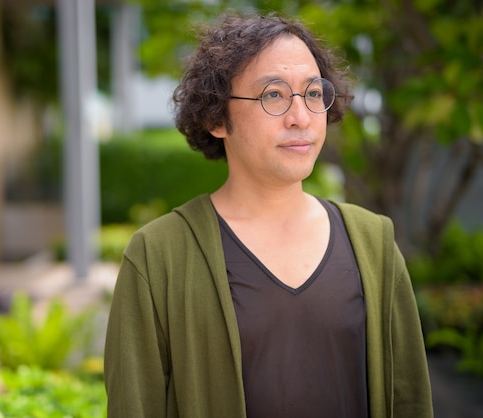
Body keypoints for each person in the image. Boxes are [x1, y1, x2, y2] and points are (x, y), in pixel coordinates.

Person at [104, 12, 433, 418]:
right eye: (273, 95)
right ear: (215, 118)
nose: (301, 117)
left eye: (313, 93)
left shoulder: (373, 242)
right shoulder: (159, 256)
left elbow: (410, 399)